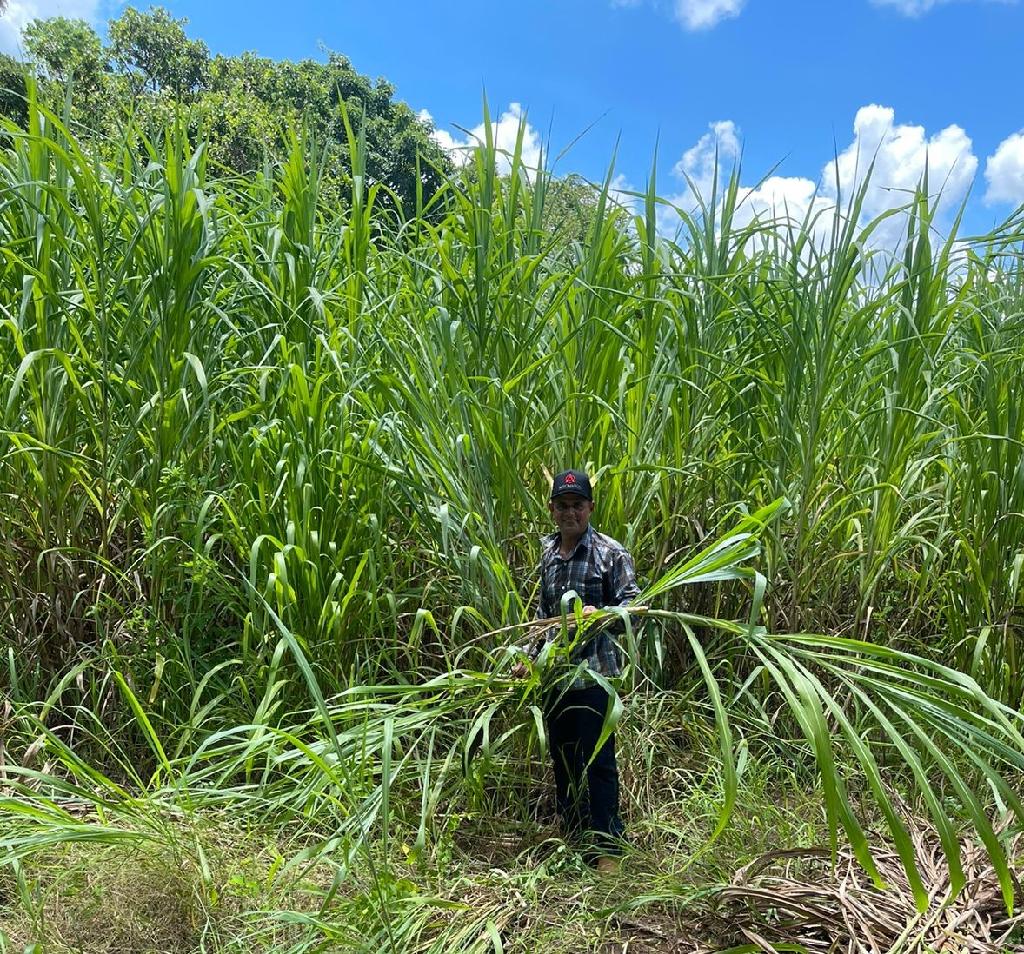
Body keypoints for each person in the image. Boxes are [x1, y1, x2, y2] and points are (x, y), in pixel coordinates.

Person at [512, 469, 640, 873]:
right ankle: (573, 839)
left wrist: (599, 616)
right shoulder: (548, 553)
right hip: (555, 679)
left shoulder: (609, 554)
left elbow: (635, 609)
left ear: (590, 508)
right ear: (552, 510)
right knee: (563, 762)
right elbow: (543, 616)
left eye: (577, 505)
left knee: (599, 763)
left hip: (593, 677)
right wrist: (527, 658)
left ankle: (607, 852)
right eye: (563, 505)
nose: (571, 513)